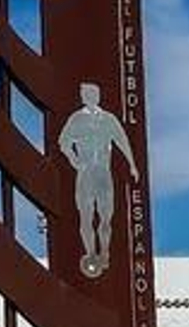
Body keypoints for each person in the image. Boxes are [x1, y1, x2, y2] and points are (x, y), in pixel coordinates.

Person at [58, 82, 138, 278]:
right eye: (86, 94)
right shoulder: (77, 119)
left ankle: (104, 253)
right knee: (86, 216)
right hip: (85, 173)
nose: (90, 97)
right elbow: (63, 141)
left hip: (103, 173)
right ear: (83, 97)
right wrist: (74, 159)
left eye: (93, 93)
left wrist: (132, 164)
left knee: (105, 218)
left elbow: (122, 141)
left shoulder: (108, 119)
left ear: (98, 96)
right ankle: (90, 253)